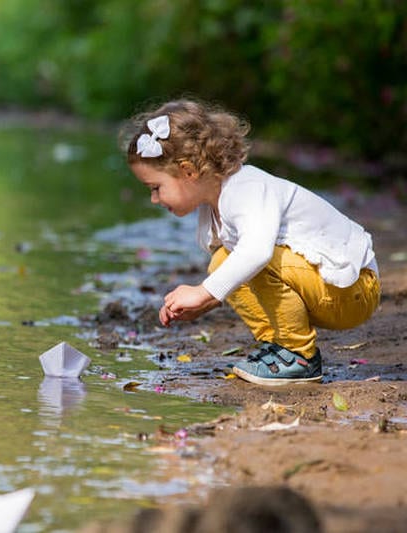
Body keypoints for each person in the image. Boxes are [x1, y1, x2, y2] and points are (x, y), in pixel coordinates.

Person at [124, 99, 380, 386]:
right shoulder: (214, 209)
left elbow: (257, 252)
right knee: (223, 260)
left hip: (354, 288)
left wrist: (204, 292)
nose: (154, 199)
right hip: (324, 288)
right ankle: (279, 348)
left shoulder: (247, 188)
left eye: (156, 188)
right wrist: (206, 300)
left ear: (187, 171)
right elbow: (235, 270)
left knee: (253, 256)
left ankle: (299, 355)